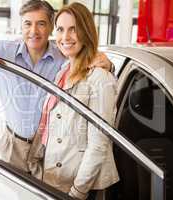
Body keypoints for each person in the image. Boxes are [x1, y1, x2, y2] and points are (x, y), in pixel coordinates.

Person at [0, 0, 113, 173]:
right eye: (28, 24)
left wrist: (108, 65)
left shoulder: (63, 56)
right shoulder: (3, 51)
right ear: (21, 26)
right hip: (13, 145)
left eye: (41, 24)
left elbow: (90, 70)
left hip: (47, 148)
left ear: (51, 28)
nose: (33, 31)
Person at [34, 2, 119, 200]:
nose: (65, 37)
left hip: (78, 186)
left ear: (86, 31)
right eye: (61, 29)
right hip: (55, 175)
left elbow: (99, 144)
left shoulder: (100, 78)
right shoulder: (64, 69)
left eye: (74, 29)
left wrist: (78, 192)